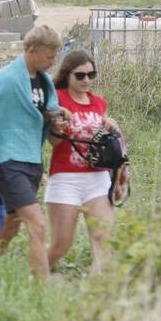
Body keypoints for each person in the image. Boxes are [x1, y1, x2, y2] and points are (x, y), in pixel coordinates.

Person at [0, 25, 69, 282]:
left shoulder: (43, 80)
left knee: (9, 227)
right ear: (31, 50)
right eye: (49, 56)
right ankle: (41, 290)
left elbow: (38, 114)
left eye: (55, 55)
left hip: (31, 160)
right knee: (37, 225)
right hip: (9, 160)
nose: (53, 61)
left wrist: (55, 117)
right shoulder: (8, 79)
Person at [46, 51, 121, 274]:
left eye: (91, 74)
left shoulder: (99, 103)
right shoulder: (58, 99)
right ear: (67, 75)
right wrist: (57, 125)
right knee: (61, 245)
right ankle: (36, 273)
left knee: (103, 240)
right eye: (80, 76)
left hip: (97, 178)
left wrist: (111, 127)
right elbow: (53, 142)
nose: (87, 80)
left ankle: (96, 294)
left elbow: (110, 142)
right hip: (66, 178)